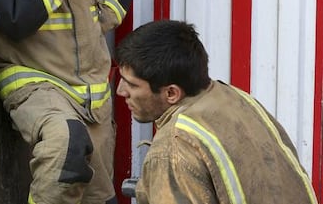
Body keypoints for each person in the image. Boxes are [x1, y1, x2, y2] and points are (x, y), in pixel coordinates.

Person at [114, 20, 318, 204]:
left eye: (132, 85)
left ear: (171, 93)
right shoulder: (236, 99)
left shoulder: (172, 148)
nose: (120, 91)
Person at [0, 0, 133, 203]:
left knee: (99, 197)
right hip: (36, 78)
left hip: (92, 92)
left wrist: (97, 20)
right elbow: (15, 17)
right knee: (65, 144)